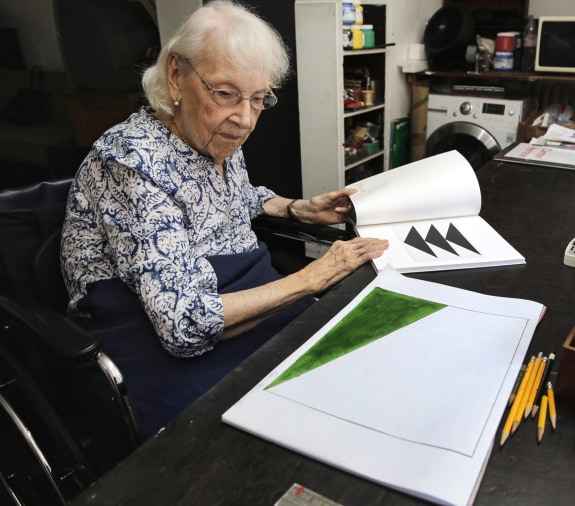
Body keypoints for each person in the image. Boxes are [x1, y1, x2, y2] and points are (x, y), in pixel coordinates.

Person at [60, 0, 388, 440]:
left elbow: (227, 199)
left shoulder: (212, 130)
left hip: (233, 292)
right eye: (226, 93)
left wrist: (296, 208)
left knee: (346, 372)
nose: (246, 119)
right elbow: (182, 327)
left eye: (258, 98)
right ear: (176, 75)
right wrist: (314, 278)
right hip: (151, 323)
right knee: (258, 431)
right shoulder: (132, 163)